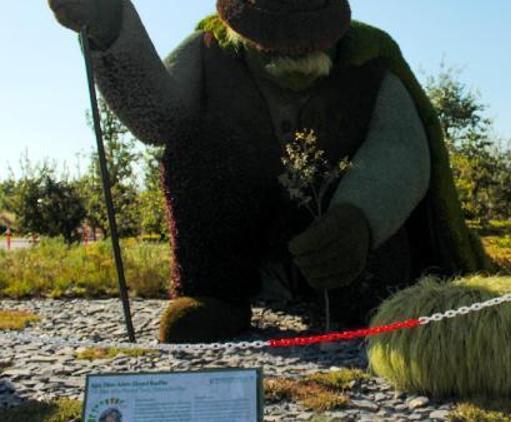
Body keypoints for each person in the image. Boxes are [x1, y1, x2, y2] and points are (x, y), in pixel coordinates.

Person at [47, 0, 488, 343]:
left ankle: (362, 294)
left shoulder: (369, 60)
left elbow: (400, 147)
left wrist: (360, 216)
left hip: (339, 225)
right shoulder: (210, 50)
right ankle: (213, 294)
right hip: (242, 228)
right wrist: (110, 28)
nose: (292, 51)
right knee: (195, 147)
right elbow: (160, 117)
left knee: (367, 275)